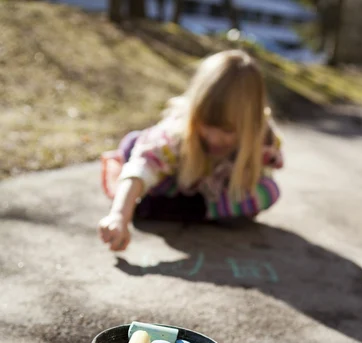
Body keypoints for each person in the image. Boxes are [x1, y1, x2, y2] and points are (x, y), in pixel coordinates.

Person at [98, 49, 284, 251]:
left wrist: (269, 158)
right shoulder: (179, 130)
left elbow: (272, 160)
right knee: (133, 145)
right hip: (175, 181)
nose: (214, 138)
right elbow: (145, 164)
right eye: (206, 124)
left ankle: (184, 210)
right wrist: (119, 215)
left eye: (227, 130)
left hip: (209, 196)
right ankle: (141, 201)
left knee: (268, 190)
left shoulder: (261, 138)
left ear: (250, 124)